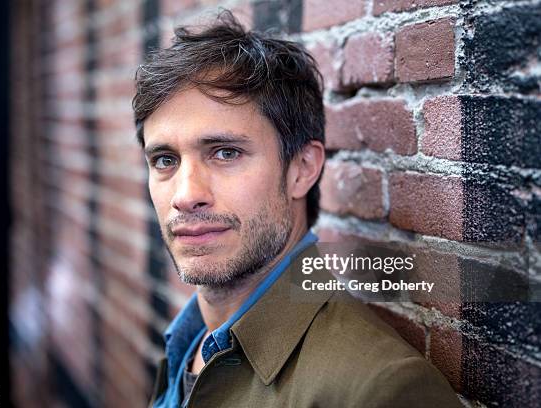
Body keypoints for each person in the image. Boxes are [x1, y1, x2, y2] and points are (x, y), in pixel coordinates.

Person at [133, 11, 462, 408]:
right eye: (165, 160)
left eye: (225, 152)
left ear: (302, 169)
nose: (186, 195)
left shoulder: (380, 390)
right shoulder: (186, 342)